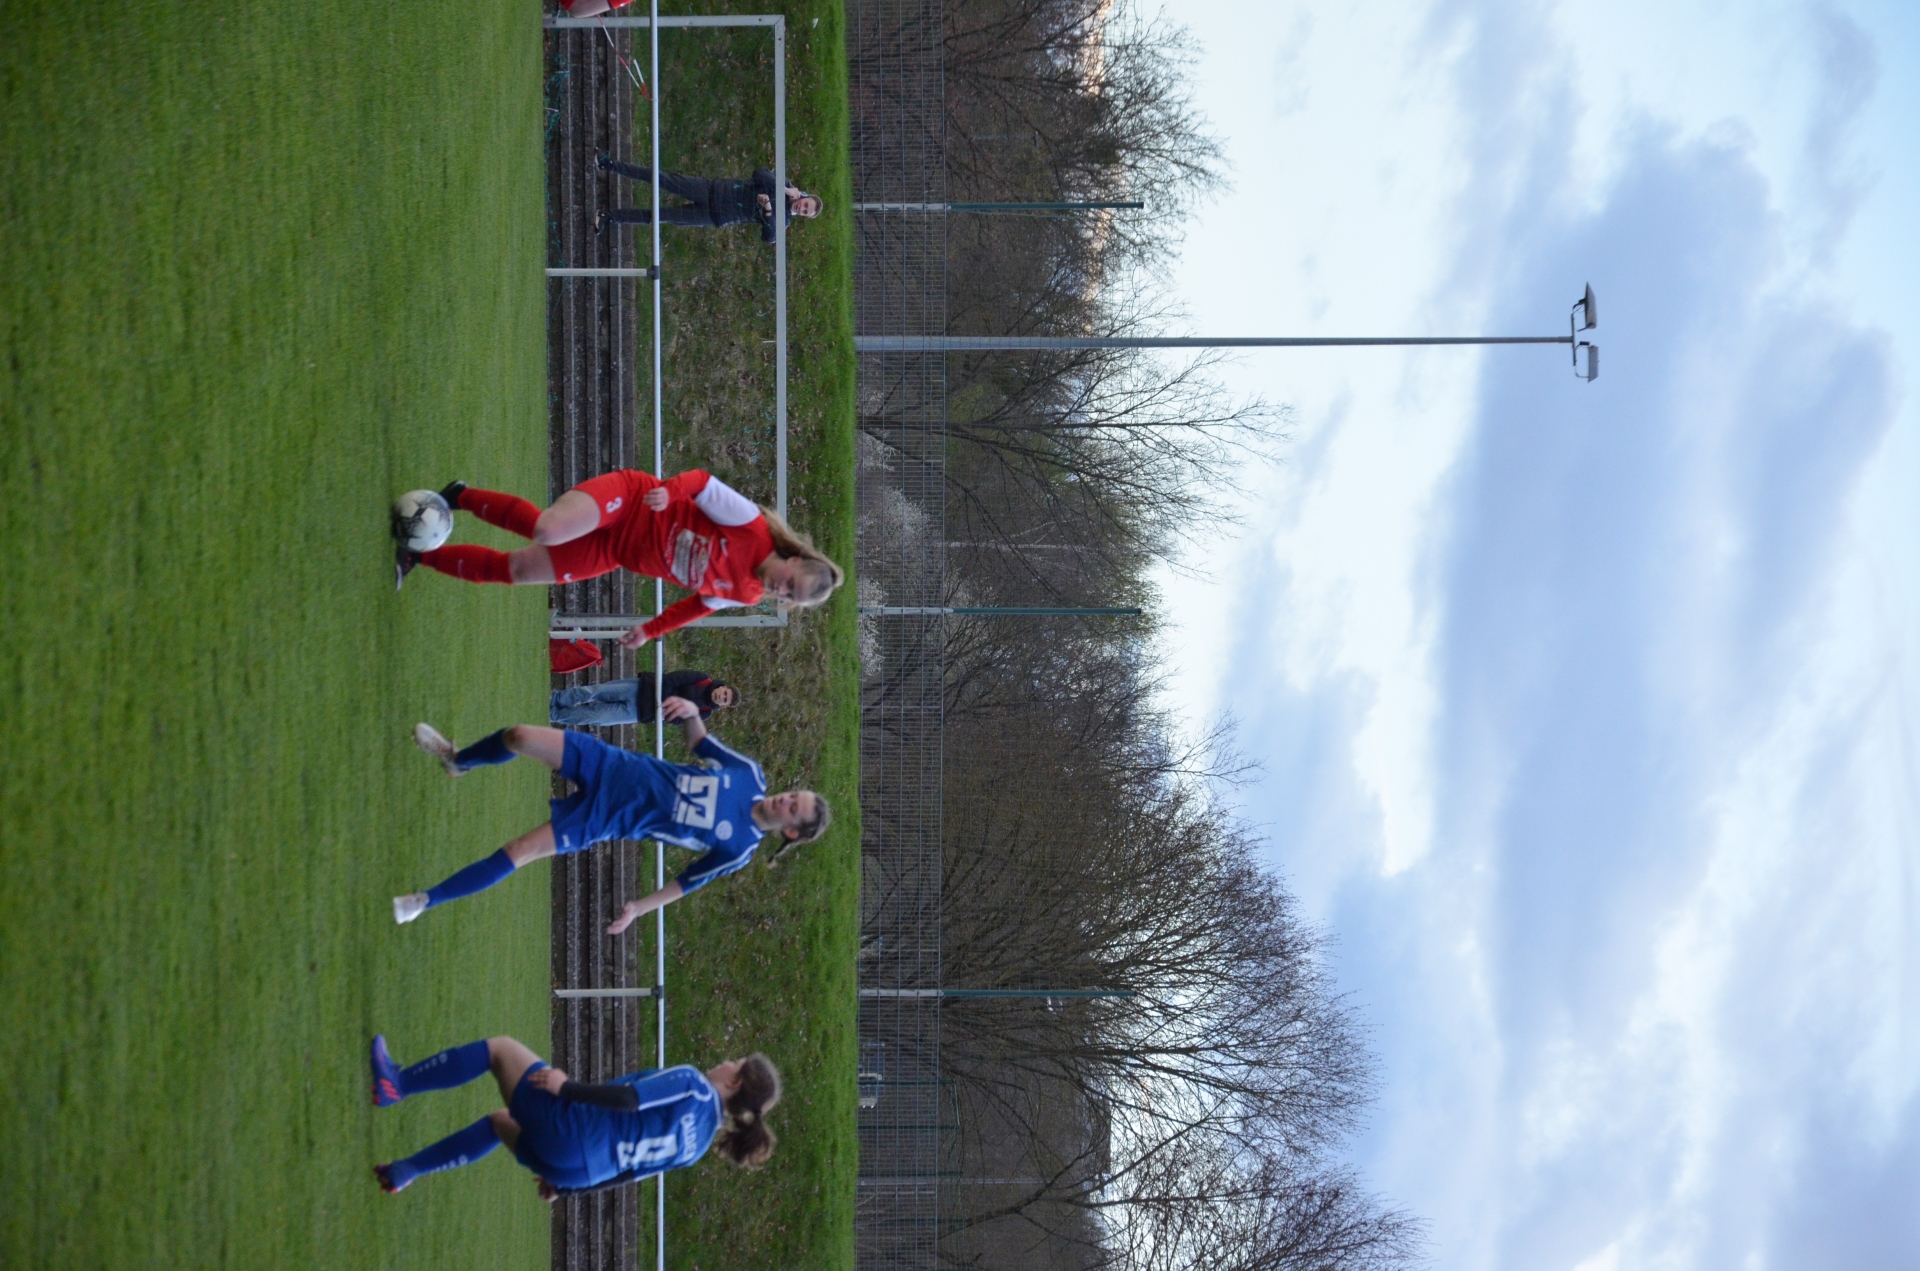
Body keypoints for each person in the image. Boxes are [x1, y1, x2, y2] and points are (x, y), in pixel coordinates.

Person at [393, 696, 829, 930]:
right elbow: (701, 744)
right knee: (519, 736)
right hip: (611, 764)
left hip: (606, 819)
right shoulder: (749, 775)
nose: (785, 800)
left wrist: (639, 908)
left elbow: (684, 885)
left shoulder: (738, 849)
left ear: (790, 832)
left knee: (520, 850)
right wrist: (693, 712)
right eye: (793, 794)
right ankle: (460, 760)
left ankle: (423, 901)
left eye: (793, 809)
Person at [394, 471, 844, 645]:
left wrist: (650, 630)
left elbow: (697, 606)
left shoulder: (744, 594)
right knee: (546, 528)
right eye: (790, 582)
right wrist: (668, 492)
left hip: (613, 552)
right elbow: (704, 484)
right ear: (793, 558)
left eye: (789, 597)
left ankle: (415, 557)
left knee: (515, 571)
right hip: (630, 500)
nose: (779, 591)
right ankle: (460, 496)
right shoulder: (751, 526)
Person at [368, 1033, 779, 1197]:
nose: (726, 1060)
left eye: (734, 1062)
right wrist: (565, 1190)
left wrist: (565, 1088)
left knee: (501, 1050)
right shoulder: (697, 1146)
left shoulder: (693, 1084)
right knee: (499, 1123)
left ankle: (395, 1085)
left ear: (735, 1084)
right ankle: (404, 1172)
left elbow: (630, 1099)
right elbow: (628, 1176)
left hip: (574, 1129)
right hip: (577, 1172)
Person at [592, 157, 822, 242]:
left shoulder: (785, 222)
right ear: (804, 196)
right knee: (663, 180)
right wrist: (784, 189)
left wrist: (769, 210)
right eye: (805, 204)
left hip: (713, 216)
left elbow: (769, 236)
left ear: (803, 217)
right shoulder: (786, 187)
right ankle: (610, 164)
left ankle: (610, 217)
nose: (801, 207)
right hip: (712, 190)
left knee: (659, 217)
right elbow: (760, 173)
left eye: (805, 211)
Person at [551, 668, 739, 728]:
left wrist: (666, 707)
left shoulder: (703, 714)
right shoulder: (702, 678)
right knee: (594, 691)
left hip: (639, 712)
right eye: (724, 693)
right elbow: (673, 679)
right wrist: (665, 701)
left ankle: (556, 715)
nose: (720, 696)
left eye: (724, 700)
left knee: (595, 717)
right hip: (640, 688)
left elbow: (676, 719)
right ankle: (557, 698)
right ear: (722, 687)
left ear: (722, 706)